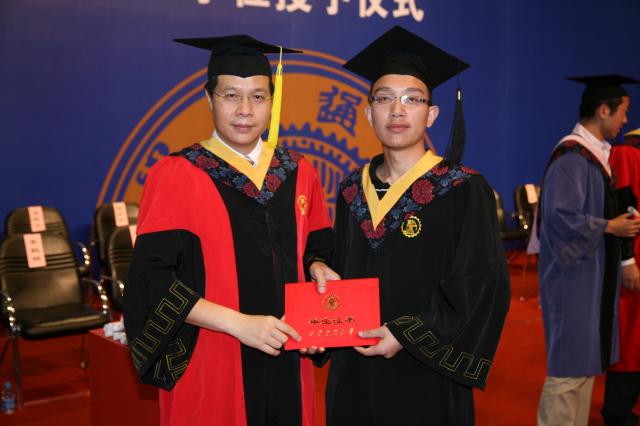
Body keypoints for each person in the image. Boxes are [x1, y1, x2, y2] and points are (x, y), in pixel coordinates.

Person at [123, 34, 339, 426]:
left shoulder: (298, 172)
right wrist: (239, 324)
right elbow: (151, 282)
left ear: (272, 102)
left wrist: (318, 267)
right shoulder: (178, 175)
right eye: (230, 95)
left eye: (258, 96)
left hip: (289, 353)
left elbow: (317, 246)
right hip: (214, 355)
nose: (245, 110)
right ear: (209, 99)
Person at [324, 26, 511, 426]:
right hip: (355, 371)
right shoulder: (351, 190)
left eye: (412, 99)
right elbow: (339, 267)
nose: (397, 110)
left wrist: (408, 334)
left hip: (426, 374)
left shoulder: (462, 189)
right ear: (368, 112)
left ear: (431, 114)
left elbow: (482, 284)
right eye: (384, 98)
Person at [537, 75, 640, 426]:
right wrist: (610, 227)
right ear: (603, 110)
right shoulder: (572, 157)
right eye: (623, 111)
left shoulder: (595, 157)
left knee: (582, 371)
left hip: (589, 276)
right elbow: (560, 218)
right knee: (568, 372)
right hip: (572, 279)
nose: (626, 119)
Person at [604, 127, 640, 426]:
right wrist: (627, 259)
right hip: (635, 260)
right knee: (630, 338)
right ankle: (618, 411)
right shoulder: (628, 153)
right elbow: (623, 203)